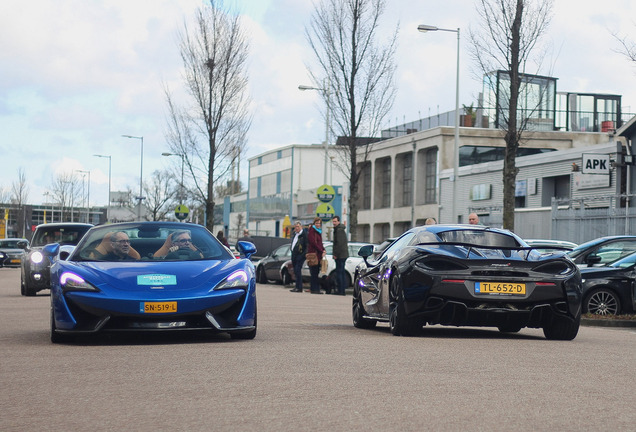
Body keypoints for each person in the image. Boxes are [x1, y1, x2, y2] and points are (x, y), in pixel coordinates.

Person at [306, 217, 325, 294]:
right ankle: (315, 289)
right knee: (314, 272)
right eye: (317, 223)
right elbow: (313, 243)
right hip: (314, 254)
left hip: (318, 254)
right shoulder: (312, 231)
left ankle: (314, 288)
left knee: (316, 272)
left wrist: (323, 249)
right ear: (314, 224)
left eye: (319, 223)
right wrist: (321, 250)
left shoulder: (318, 231)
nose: (318, 225)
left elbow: (320, 243)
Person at [331, 216, 348, 296]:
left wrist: (335, 254)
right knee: (340, 272)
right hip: (342, 254)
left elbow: (339, 244)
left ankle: (341, 290)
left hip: (341, 255)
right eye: (333, 222)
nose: (334, 223)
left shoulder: (339, 230)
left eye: (335, 221)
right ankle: (340, 290)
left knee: (340, 273)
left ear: (338, 221)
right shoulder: (338, 230)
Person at [289, 221, 307, 293]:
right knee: (295, 271)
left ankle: (299, 287)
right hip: (294, 255)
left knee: (298, 270)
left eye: (298, 227)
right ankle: (296, 286)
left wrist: (303, 255)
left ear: (301, 227)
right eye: (295, 227)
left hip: (300, 255)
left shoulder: (304, 235)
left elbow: (306, 246)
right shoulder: (295, 235)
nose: (296, 228)